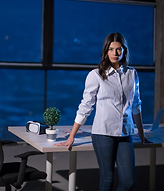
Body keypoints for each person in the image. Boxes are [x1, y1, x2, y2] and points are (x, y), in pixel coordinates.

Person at [55, 32, 151, 191]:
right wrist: (71, 136)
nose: (115, 53)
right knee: (107, 179)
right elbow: (85, 106)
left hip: (125, 134)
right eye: (111, 49)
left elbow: (136, 104)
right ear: (106, 51)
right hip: (103, 134)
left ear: (124, 51)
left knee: (128, 182)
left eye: (119, 49)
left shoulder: (132, 74)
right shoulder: (96, 75)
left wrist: (141, 133)